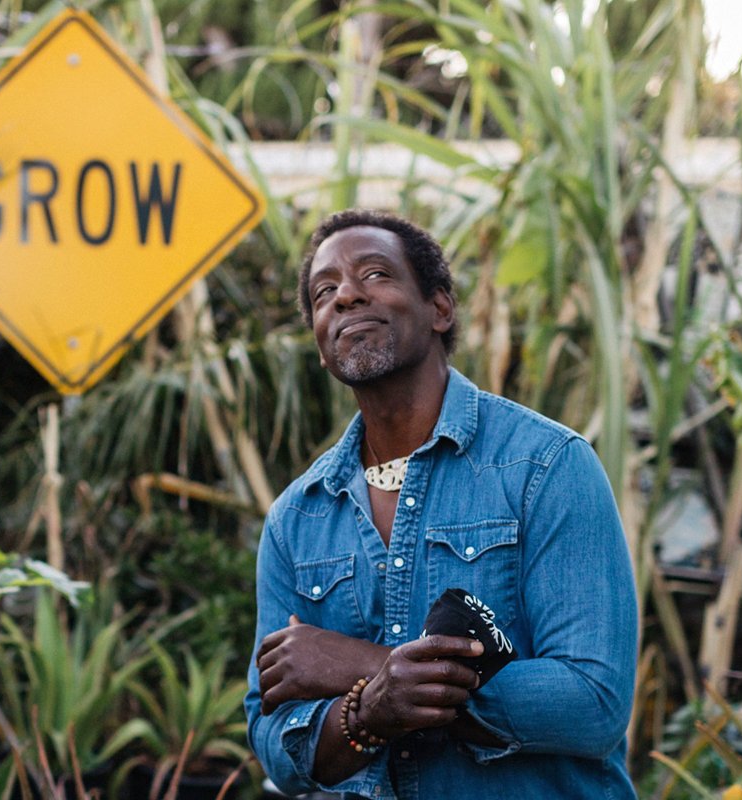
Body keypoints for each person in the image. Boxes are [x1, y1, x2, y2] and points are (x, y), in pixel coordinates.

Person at [244, 209, 638, 799]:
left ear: (440, 308)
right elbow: (277, 741)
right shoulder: (297, 518)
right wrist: (369, 711)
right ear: (322, 347)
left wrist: (364, 663)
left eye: (375, 275)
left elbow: (593, 702)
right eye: (325, 292)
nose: (346, 295)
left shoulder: (547, 467)